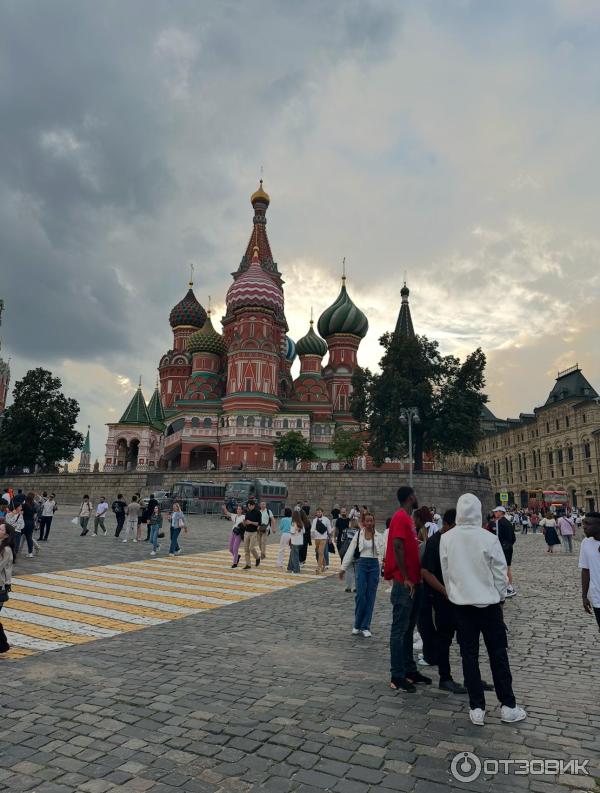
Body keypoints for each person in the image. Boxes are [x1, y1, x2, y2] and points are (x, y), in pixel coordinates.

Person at [440, 493, 526, 726]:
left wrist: (454, 593)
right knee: (498, 654)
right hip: (489, 606)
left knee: (469, 656)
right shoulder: (488, 537)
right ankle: (508, 706)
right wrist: (498, 596)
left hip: (462, 606)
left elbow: (446, 573)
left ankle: (476, 707)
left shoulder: (447, 539)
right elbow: (500, 573)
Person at [384, 486, 430, 693]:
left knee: (409, 629)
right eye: (415, 495)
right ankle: (397, 675)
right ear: (411, 497)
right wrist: (404, 577)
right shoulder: (400, 518)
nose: (417, 497)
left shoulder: (407, 519)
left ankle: (409, 670)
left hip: (413, 582)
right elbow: (397, 546)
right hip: (405, 585)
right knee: (400, 629)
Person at [420, 509, 467, 694]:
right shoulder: (434, 543)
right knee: (444, 639)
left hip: (459, 599)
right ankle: (445, 678)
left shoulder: (456, 542)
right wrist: (444, 591)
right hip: (440, 600)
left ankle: (472, 677)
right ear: (447, 525)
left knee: (466, 640)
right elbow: (426, 572)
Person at [340, 512, 384, 637]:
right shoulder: (359, 534)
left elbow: (384, 551)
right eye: (367, 521)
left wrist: (384, 564)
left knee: (370, 596)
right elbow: (350, 551)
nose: (370, 523)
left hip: (374, 565)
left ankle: (365, 626)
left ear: (374, 522)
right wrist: (343, 568)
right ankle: (357, 624)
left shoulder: (379, 536)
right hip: (362, 564)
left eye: (372, 521)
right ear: (364, 522)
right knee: (360, 595)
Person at [579, 512, 600, 631]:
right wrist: (584, 596)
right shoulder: (586, 543)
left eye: (588, 523)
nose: (584, 526)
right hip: (597, 597)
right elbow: (585, 570)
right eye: (583, 523)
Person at [493, 506, 516, 597]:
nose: (494, 513)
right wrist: (509, 545)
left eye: (496, 511)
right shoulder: (507, 521)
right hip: (509, 547)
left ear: (501, 512)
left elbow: (497, 537)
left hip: (503, 548)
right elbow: (513, 537)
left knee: (503, 568)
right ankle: (509, 586)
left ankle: (509, 588)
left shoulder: (499, 521)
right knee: (508, 568)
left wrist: (499, 548)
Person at [0, 523, 16, 654]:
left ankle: (2, 644)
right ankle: (3, 644)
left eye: (0, 529)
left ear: (6, 535)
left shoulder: (6, 550)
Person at [336, 509, 356, 592]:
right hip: (357, 553)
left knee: (349, 570)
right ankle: (356, 587)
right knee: (356, 570)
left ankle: (348, 587)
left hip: (348, 552)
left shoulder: (345, 531)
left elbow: (342, 540)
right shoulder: (360, 532)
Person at [311, 508, 332, 574]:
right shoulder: (314, 520)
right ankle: (325, 565)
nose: (318, 513)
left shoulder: (326, 520)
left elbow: (329, 530)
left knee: (320, 552)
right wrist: (312, 535)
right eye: (317, 512)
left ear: (322, 512)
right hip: (316, 539)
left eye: (319, 512)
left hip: (323, 538)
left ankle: (318, 568)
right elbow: (312, 529)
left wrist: (330, 538)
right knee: (319, 552)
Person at [223, 504, 245, 568]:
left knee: (235, 548)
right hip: (233, 533)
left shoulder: (244, 517)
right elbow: (227, 513)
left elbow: (247, 523)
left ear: (242, 510)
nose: (238, 510)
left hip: (239, 534)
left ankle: (235, 563)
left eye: (240, 509)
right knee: (230, 549)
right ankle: (237, 556)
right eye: (238, 509)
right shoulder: (234, 516)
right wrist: (224, 508)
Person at [242, 498, 262, 569]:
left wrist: (251, 522)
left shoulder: (258, 513)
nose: (248, 507)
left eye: (250, 505)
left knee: (251, 548)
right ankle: (248, 564)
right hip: (246, 532)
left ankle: (257, 558)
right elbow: (246, 522)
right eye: (248, 505)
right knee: (246, 549)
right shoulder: (247, 512)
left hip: (254, 532)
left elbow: (259, 523)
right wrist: (244, 523)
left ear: (253, 505)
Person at [288, 509, 305, 573]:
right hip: (300, 541)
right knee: (292, 554)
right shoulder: (301, 523)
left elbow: (292, 532)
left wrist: (294, 529)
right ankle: (290, 567)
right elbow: (304, 532)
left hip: (294, 541)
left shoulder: (293, 523)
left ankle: (296, 569)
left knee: (295, 556)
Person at [21, 492, 37, 558]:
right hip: (31, 522)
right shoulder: (34, 505)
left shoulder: (24, 505)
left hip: (24, 522)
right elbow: (35, 514)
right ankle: (30, 553)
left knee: (17, 537)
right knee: (29, 538)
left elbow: (21, 513)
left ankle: (14, 551)